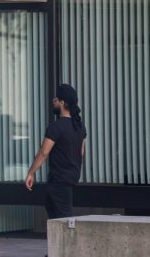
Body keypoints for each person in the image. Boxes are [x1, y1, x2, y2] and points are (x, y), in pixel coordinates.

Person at [25, 83, 87, 220]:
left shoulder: (56, 127)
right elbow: (81, 152)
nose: (53, 101)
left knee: (64, 219)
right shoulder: (80, 126)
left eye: (56, 99)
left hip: (59, 179)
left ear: (62, 102)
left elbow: (44, 152)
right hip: (70, 177)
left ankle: (70, 242)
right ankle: (57, 241)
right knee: (52, 208)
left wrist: (31, 172)